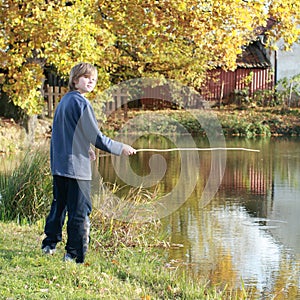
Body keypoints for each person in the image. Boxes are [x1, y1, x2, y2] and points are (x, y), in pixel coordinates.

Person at [41, 62, 136, 264]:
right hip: (76, 169)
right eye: (86, 77)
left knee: (59, 206)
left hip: (60, 166)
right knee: (80, 211)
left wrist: (85, 148)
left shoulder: (65, 101)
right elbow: (96, 136)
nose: (91, 81)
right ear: (75, 80)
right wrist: (121, 148)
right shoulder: (81, 103)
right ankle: (74, 255)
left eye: (93, 78)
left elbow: (69, 132)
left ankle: (49, 244)